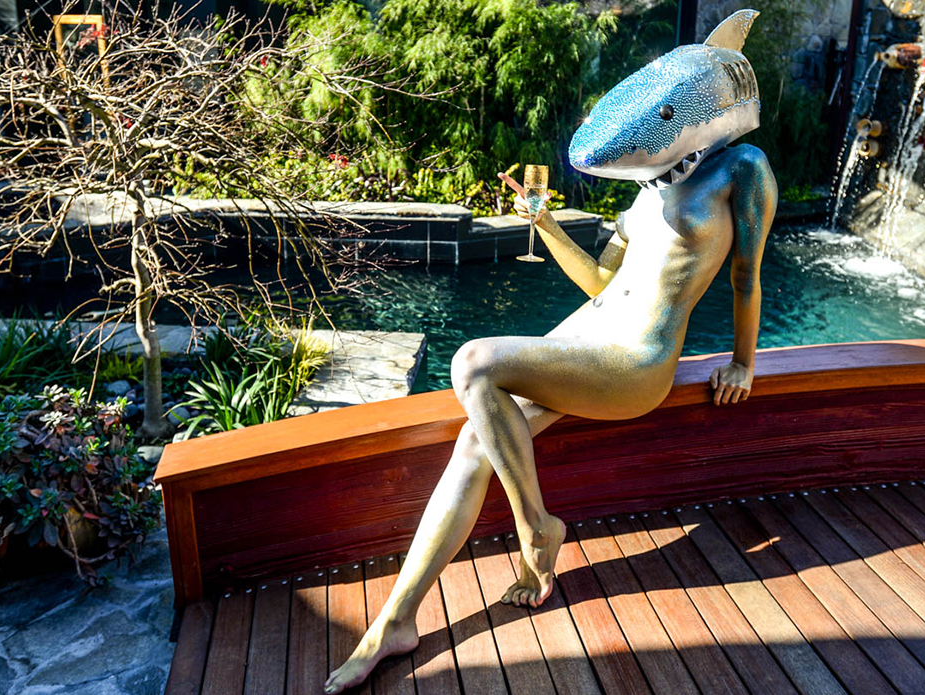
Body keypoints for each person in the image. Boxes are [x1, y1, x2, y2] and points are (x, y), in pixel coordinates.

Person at [324, 10, 776, 693]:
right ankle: (396, 621)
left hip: (636, 359)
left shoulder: (744, 168)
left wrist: (744, 361)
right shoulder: (645, 188)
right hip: (585, 335)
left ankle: (536, 528)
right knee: (473, 443)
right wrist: (546, 225)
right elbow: (601, 282)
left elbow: (747, 277)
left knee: (473, 362)